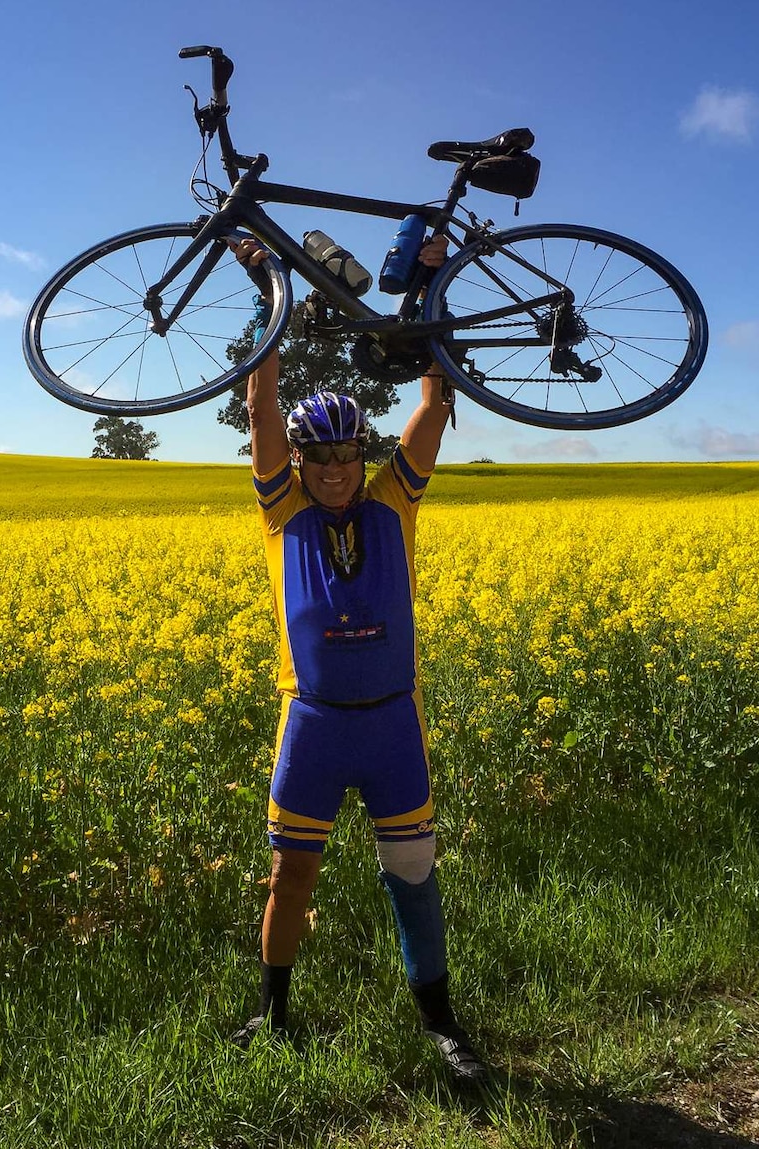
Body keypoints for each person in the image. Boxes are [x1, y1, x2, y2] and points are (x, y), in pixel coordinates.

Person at [228, 233, 487, 1083]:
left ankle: (443, 1029)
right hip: (310, 725)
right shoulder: (282, 511)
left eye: (348, 454)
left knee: (413, 876)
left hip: (390, 725)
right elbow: (261, 404)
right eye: (320, 456)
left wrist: (428, 307)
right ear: (298, 461)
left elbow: (432, 410)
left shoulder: (393, 503)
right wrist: (272, 290)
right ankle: (273, 1015)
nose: (336, 468)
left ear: (363, 455)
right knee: (288, 877)